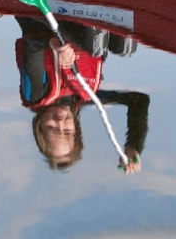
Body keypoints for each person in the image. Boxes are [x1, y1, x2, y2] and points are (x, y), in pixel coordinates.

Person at [15, 17, 148, 171]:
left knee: (94, 45)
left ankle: (94, 12)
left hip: (43, 19)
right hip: (86, 25)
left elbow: (31, 45)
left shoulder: (36, 95)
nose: (60, 122)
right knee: (125, 48)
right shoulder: (86, 96)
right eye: (67, 131)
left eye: (52, 128)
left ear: (40, 126)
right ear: (76, 129)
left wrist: (54, 45)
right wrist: (133, 146)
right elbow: (138, 100)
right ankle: (116, 8)